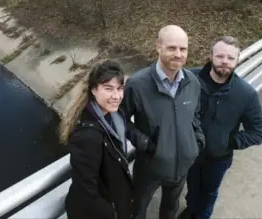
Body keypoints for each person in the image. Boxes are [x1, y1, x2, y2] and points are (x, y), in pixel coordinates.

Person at [120, 25, 206, 219]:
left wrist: (196, 140)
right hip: (150, 166)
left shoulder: (192, 82)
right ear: (158, 47)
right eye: (171, 48)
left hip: (182, 165)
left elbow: (195, 114)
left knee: (170, 210)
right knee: (137, 209)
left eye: (183, 49)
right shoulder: (137, 84)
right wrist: (144, 143)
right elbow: (120, 118)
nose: (178, 54)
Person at [180, 36, 262, 219]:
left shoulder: (246, 94)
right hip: (190, 152)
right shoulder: (188, 79)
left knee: (209, 194)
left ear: (238, 60)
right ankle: (191, 209)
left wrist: (228, 141)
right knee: (192, 188)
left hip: (218, 159)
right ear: (211, 56)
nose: (225, 62)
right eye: (220, 56)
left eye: (230, 58)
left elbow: (258, 132)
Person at [60, 59, 149, 219]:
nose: (116, 96)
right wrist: (113, 213)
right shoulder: (87, 135)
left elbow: (126, 127)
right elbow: (86, 190)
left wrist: (146, 142)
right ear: (94, 89)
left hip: (116, 200)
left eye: (120, 89)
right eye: (108, 89)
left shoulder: (113, 114)